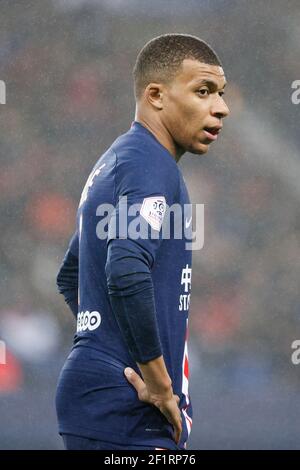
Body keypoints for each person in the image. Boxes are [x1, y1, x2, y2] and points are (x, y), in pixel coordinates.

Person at [56, 33, 229, 451]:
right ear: (155, 95)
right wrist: (156, 381)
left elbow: (71, 275)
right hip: (127, 412)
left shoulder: (120, 160)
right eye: (203, 91)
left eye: (220, 93)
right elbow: (127, 265)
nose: (221, 107)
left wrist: (110, 347)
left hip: (103, 401)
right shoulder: (150, 164)